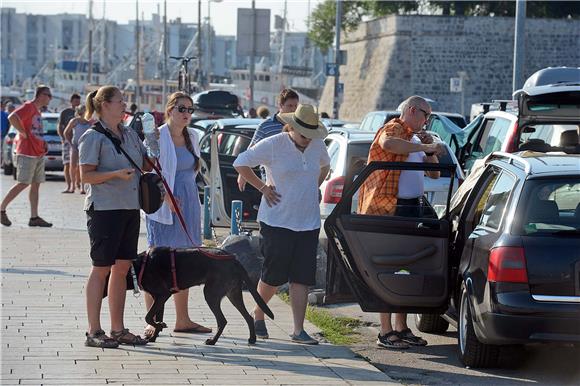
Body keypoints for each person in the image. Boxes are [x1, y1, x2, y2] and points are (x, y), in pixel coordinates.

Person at [233, 104, 330, 345]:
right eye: (303, 135)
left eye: (311, 135)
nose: (307, 140)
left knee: (302, 277)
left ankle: (298, 330)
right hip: (277, 220)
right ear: (293, 128)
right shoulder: (275, 143)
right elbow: (241, 162)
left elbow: (325, 165)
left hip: (307, 221)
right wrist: (263, 187)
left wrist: (315, 186)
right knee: (273, 276)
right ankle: (258, 312)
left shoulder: (317, 144)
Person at [357, 95, 445, 349]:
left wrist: (429, 151)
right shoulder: (394, 128)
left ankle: (401, 327)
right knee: (388, 266)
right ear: (411, 110)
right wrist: (423, 147)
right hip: (388, 209)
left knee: (407, 267)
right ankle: (385, 330)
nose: (427, 121)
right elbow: (389, 143)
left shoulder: (416, 138)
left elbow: (434, 173)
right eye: (425, 115)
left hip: (410, 208)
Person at [79, 85, 152, 348]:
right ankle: (94, 332)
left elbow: (145, 163)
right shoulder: (92, 137)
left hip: (130, 208)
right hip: (104, 209)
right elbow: (85, 176)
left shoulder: (130, 133)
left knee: (121, 268)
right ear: (105, 105)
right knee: (101, 269)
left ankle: (118, 329)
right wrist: (114, 175)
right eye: (120, 101)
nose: (125, 104)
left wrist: (153, 143)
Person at [142, 91, 211, 339]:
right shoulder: (156, 136)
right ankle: (153, 320)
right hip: (163, 204)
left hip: (189, 202)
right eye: (182, 109)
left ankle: (183, 319)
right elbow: (147, 172)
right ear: (170, 109)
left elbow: (193, 171)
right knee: (157, 261)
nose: (186, 114)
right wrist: (166, 196)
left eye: (190, 110)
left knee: (185, 262)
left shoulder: (192, 135)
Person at [0, 86, 53, 228]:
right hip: (27, 152)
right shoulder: (29, 107)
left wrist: (43, 143)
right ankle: (1, 209)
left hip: (37, 152)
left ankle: (34, 217)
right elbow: (12, 117)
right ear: (41, 95)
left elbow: (35, 130)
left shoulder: (36, 111)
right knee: (23, 183)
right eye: (49, 95)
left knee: (36, 184)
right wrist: (22, 132)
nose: (50, 99)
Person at [237, 88, 299, 191]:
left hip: (294, 177)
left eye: (296, 106)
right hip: (272, 179)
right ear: (280, 106)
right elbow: (252, 150)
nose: (293, 109)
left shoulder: (299, 126)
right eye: (290, 106)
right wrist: (243, 175)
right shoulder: (265, 126)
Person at [63, 105, 93, 194]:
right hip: (75, 146)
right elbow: (66, 132)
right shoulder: (74, 121)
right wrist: (70, 144)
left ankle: (82, 187)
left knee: (83, 166)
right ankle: (72, 186)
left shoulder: (89, 122)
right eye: (84, 110)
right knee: (73, 166)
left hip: (85, 146)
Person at [58, 93, 81, 193]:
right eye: (75, 102)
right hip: (68, 142)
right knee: (67, 164)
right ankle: (69, 186)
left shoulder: (82, 113)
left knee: (80, 165)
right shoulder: (65, 112)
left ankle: (78, 184)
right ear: (71, 101)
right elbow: (60, 125)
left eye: (78, 102)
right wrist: (62, 138)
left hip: (79, 142)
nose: (77, 104)